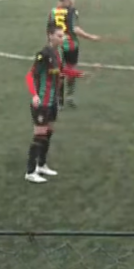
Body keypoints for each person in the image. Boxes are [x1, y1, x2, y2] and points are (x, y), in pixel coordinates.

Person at [25, 25, 88, 183]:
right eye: (59, 36)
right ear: (50, 36)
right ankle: (30, 171)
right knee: (39, 135)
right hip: (42, 102)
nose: (63, 39)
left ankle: (42, 164)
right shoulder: (43, 55)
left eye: (63, 36)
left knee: (48, 133)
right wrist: (34, 95)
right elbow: (30, 76)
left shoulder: (57, 54)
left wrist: (81, 74)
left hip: (52, 101)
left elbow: (63, 71)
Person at [50, 0, 102, 108]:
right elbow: (75, 29)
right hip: (70, 45)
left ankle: (60, 100)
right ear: (66, 0)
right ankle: (69, 97)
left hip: (57, 44)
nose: (73, 0)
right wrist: (91, 37)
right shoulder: (72, 11)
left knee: (61, 72)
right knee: (70, 71)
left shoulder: (54, 11)